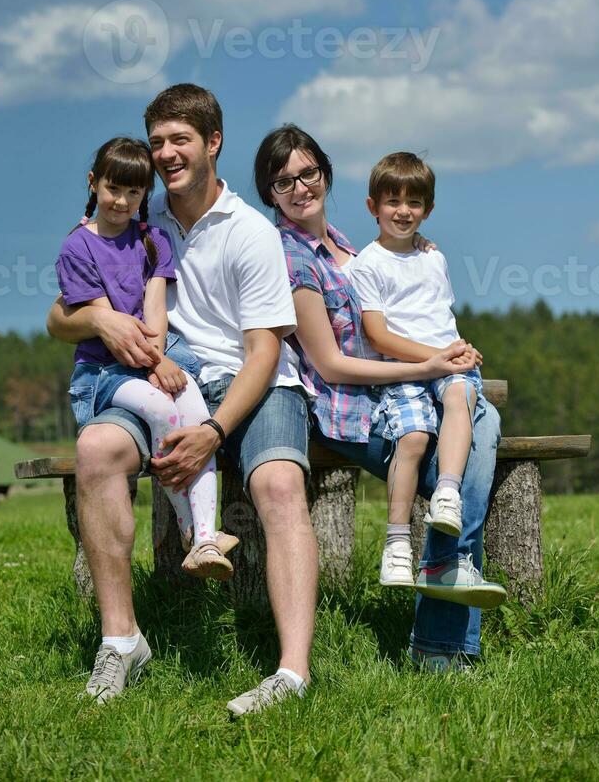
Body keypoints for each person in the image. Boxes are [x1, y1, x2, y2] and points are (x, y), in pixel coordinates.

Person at [47, 85, 316, 713]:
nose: (167, 153)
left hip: (249, 385)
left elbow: (265, 353)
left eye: (181, 140)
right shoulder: (136, 220)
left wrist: (215, 432)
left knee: (278, 484)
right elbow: (57, 319)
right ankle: (122, 640)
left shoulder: (250, 231)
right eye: (159, 141)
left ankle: (292, 675)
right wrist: (100, 322)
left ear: (213, 143)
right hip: (160, 378)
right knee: (96, 447)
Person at [253, 124, 506, 673]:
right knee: (472, 436)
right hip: (351, 408)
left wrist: (417, 251)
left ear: (325, 173)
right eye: (282, 182)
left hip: (403, 385)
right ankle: (443, 636)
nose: (299, 188)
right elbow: (330, 363)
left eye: (308, 173)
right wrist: (433, 363)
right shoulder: (291, 260)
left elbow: (400, 284)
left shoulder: (349, 245)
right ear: (268, 193)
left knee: (478, 423)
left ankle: (445, 598)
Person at [55, 136, 234, 584]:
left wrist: (160, 359)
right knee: (159, 406)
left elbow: (155, 312)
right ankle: (189, 527)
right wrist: (154, 366)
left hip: (157, 350)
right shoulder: (77, 247)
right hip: (104, 371)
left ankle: (208, 535)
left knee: (191, 404)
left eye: (135, 193)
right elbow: (111, 326)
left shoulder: (152, 240)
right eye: (114, 189)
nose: (122, 201)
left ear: (145, 195)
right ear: (93, 183)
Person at [350, 152, 494, 594]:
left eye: (415, 203)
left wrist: (456, 354)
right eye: (393, 201)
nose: (404, 211)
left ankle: (447, 494)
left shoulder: (434, 257)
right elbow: (378, 336)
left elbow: (439, 315)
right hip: (403, 370)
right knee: (411, 439)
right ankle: (396, 545)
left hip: (445, 360)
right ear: (373, 206)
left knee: (459, 399)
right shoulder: (366, 265)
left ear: (428, 210)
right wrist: (437, 357)